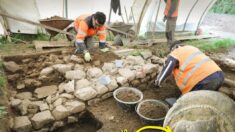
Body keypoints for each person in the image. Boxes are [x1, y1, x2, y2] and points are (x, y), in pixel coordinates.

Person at [155, 44, 224, 95]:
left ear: (174, 48)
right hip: (219, 75)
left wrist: (158, 82)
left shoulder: (176, 52)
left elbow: (167, 69)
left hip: (204, 81)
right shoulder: (191, 48)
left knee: (186, 105)